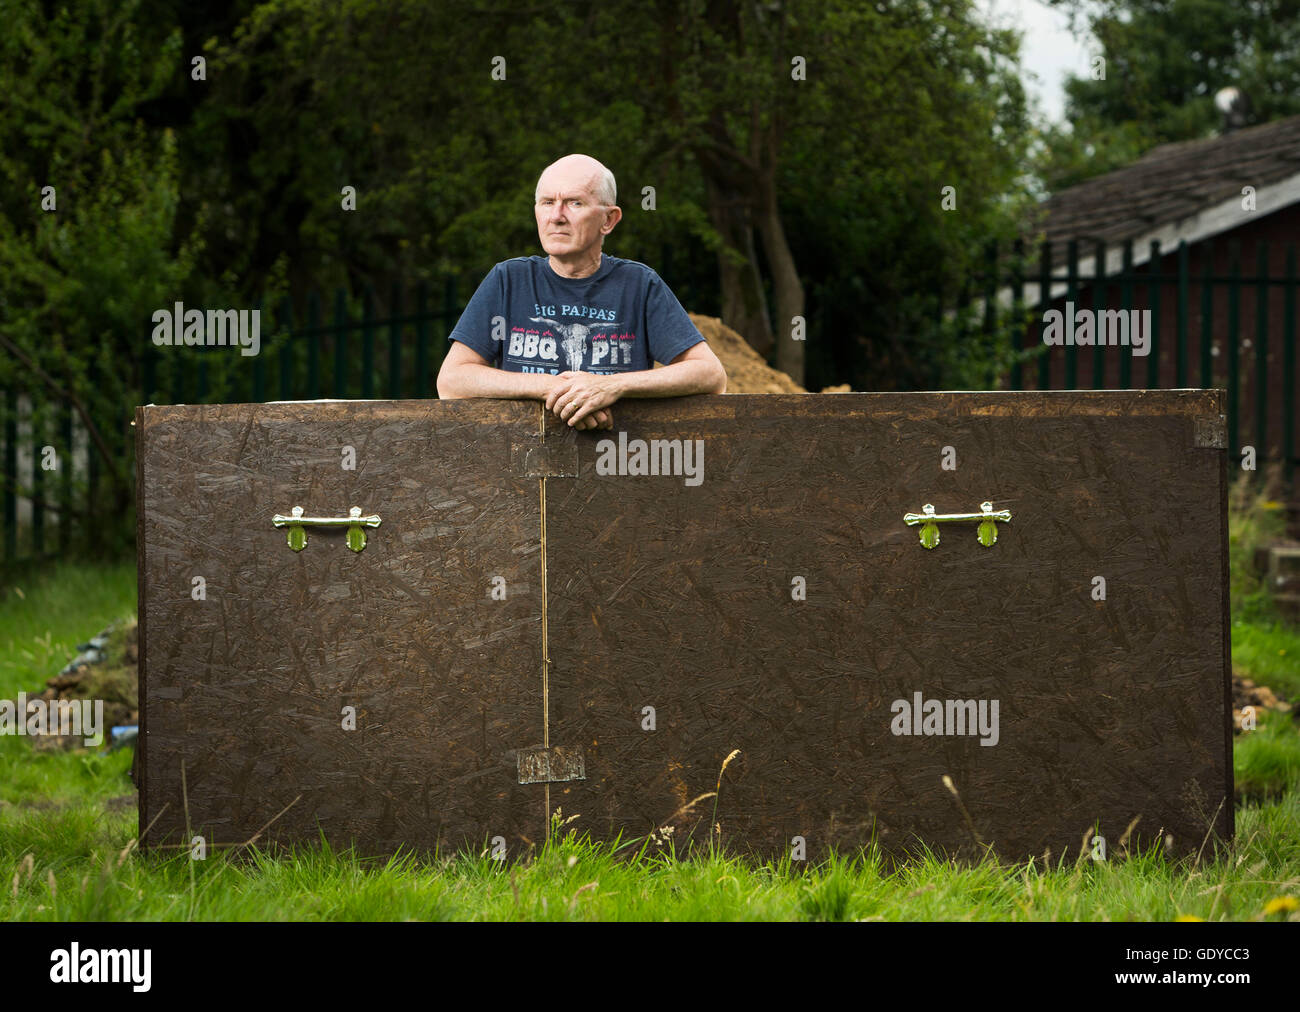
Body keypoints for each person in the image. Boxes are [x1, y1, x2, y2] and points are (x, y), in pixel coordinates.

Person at [436, 153, 727, 429]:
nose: (557, 216)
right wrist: (558, 390)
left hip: (620, 460)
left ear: (608, 220)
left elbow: (710, 375)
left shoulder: (638, 285)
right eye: (547, 202)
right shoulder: (509, 280)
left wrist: (611, 387)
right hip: (523, 463)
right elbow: (452, 380)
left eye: (574, 203)